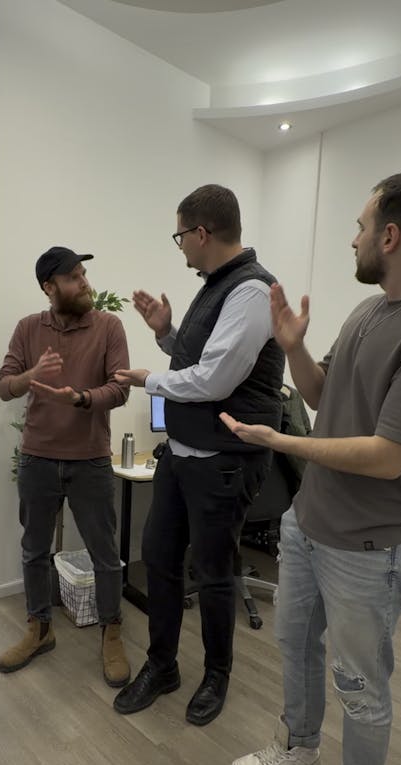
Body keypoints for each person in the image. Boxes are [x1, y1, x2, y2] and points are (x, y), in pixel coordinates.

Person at [221, 169, 401, 765]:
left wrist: (280, 441)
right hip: (309, 524)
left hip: (372, 546)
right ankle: (298, 751)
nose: (353, 239)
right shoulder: (366, 311)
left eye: (360, 227)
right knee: (296, 649)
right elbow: (324, 397)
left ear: (391, 235)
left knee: (360, 684)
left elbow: (388, 457)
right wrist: (293, 347)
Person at [113, 184, 285, 726]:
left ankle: (216, 675)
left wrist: (148, 379)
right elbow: (201, 360)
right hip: (183, 455)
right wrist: (167, 333)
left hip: (223, 460)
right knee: (160, 559)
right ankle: (162, 666)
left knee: (213, 573)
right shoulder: (215, 287)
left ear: (202, 233)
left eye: (180, 235)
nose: (180, 245)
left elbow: (213, 380)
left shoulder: (251, 291)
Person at [0, 246, 131, 687]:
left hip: (90, 460)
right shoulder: (27, 329)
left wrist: (82, 398)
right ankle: (39, 628)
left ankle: (112, 632)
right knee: (34, 550)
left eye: (84, 273)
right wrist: (32, 373)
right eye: (73, 277)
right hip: (37, 458)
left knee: (104, 555)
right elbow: (5, 386)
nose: (84, 282)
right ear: (49, 287)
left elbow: (120, 388)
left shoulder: (109, 326)